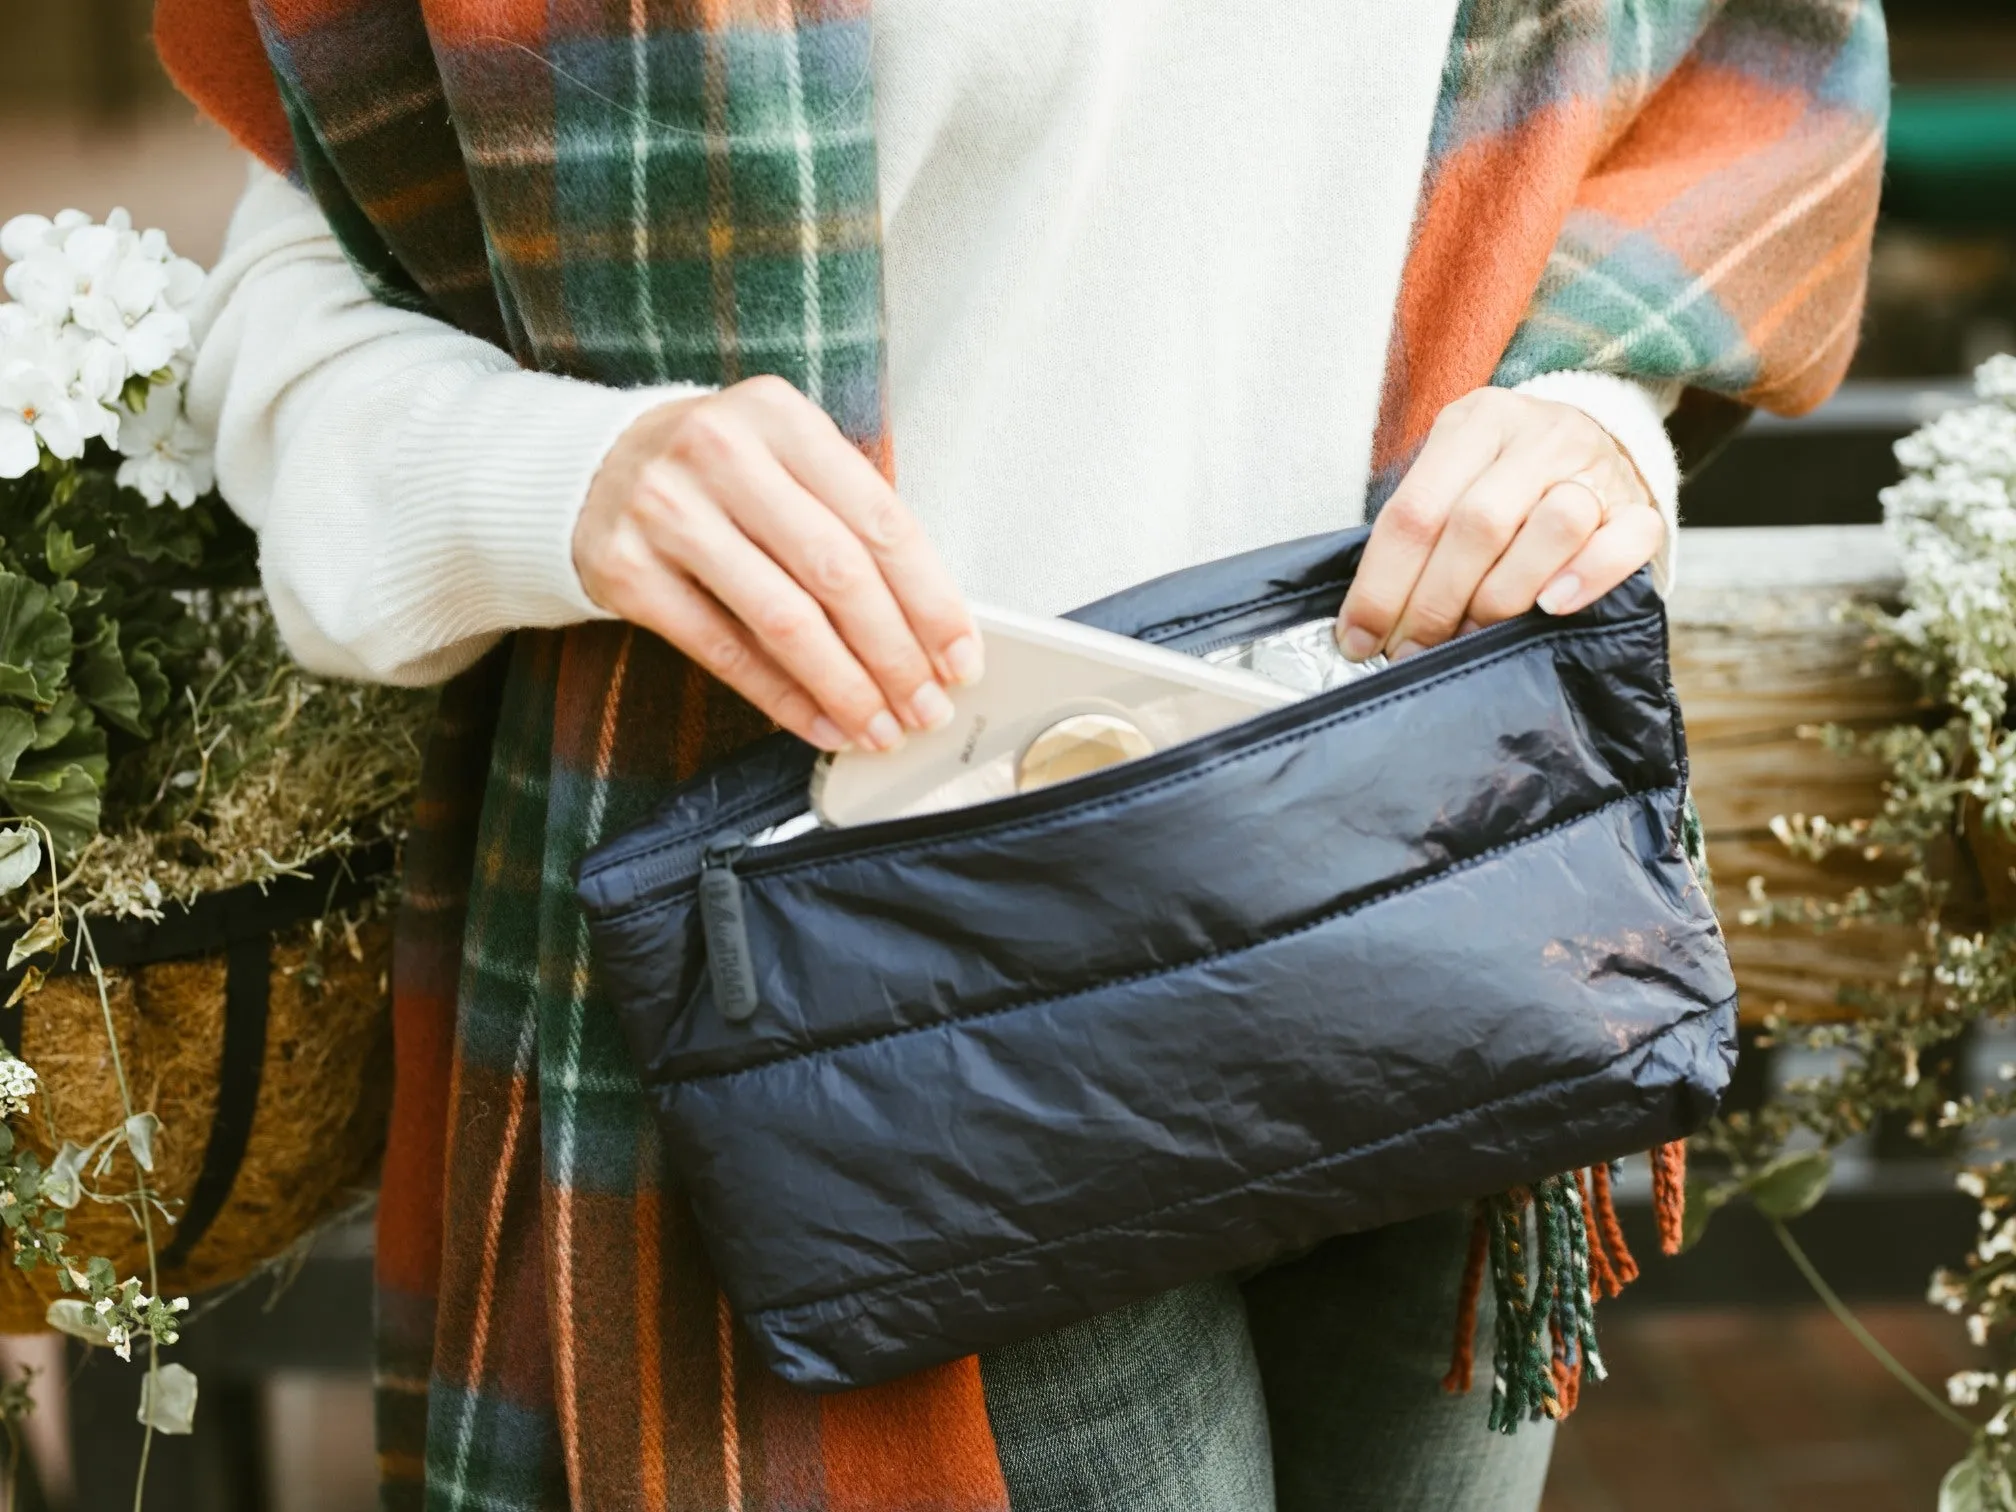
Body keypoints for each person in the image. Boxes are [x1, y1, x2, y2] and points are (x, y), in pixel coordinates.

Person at [156, 1, 1887, 1507]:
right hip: (892, 969)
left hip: (1432, 858)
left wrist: (1597, 415)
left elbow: (1726, 94)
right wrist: (580, 479)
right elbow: (286, 319)